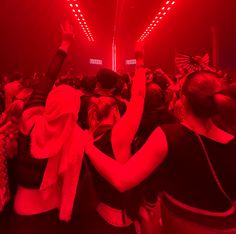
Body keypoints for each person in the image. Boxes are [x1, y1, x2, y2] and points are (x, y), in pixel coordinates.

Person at [85, 70, 236, 233]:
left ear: (183, 100)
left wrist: (88, 147)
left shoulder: (168, 136)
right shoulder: (232, 141)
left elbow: (122, 180)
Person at [9, 21, 84, 234]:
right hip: (54, 208)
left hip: (23, 207)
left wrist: (65, 45)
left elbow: (48, 78)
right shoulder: (75, 137)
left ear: (49, 104)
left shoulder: (29, 119)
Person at [80, 43, 146, 233]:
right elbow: (139, 97)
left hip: (97, 214)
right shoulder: (117, 137)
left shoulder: (87, 138)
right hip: (118, 220)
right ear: (116, 112)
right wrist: (140, 63)